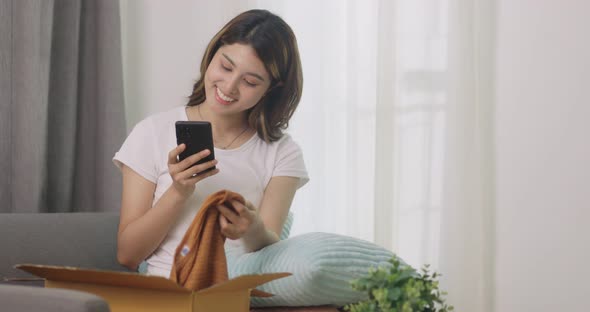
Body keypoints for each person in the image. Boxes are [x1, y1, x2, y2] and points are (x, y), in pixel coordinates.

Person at [112, 9, 308, 278]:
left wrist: (253, 230)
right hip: (165, 293)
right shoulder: (152, 133)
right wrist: (178, 192)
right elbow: (128, 254)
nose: (229, 87)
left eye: (250, 82)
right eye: (225, 67)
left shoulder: (282, 153)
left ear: (272, 88)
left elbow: (271, 255)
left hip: (234, 297)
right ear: (212, 54)